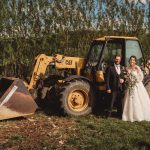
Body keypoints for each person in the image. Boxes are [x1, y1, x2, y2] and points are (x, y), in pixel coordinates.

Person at [122, 56, 150, 122]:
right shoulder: (127, 68)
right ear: (129, 61)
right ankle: (129, 115)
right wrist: (128, 79)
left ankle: (138, 115)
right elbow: (126, 78)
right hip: (130, 86)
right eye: (131, 60)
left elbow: (141, 77)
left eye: (133, 60)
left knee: (138, 100)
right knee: (130, 100)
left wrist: (135, 80)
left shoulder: (137, 68)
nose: (132, 61)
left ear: (135, 61)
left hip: (137, 85)